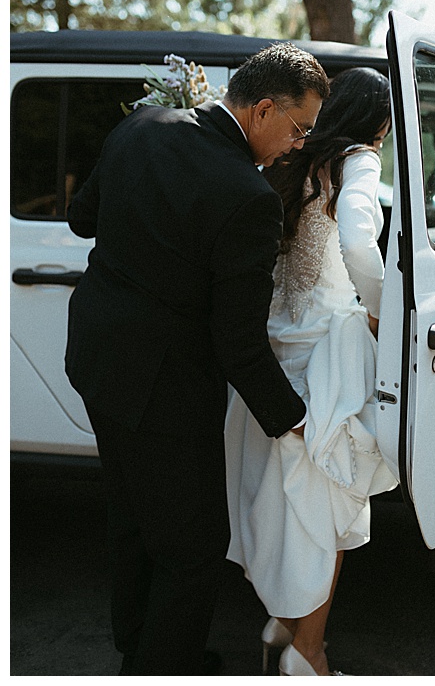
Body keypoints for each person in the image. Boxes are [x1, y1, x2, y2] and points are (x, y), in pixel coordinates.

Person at [64, 42, 325, 674]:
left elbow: (81, 219)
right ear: (262, 109)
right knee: (194, 546)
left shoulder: (140, 126)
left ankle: (139, 649)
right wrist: (291, 416)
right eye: (297, 130)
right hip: (165, 388)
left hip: (97, 359)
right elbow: (237, 340)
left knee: (130, 519)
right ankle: (163, 668)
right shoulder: (248, 196)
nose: (296, 145)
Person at [223, 66, 400, 676]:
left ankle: (285, 624)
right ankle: (309, 651)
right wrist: (383, 312)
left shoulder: (289, 162)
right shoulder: (359, 160)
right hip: (328, 356)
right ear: (377, 121)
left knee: (281, 501)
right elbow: (357, 244)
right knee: (332, 506)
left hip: (274, 352)